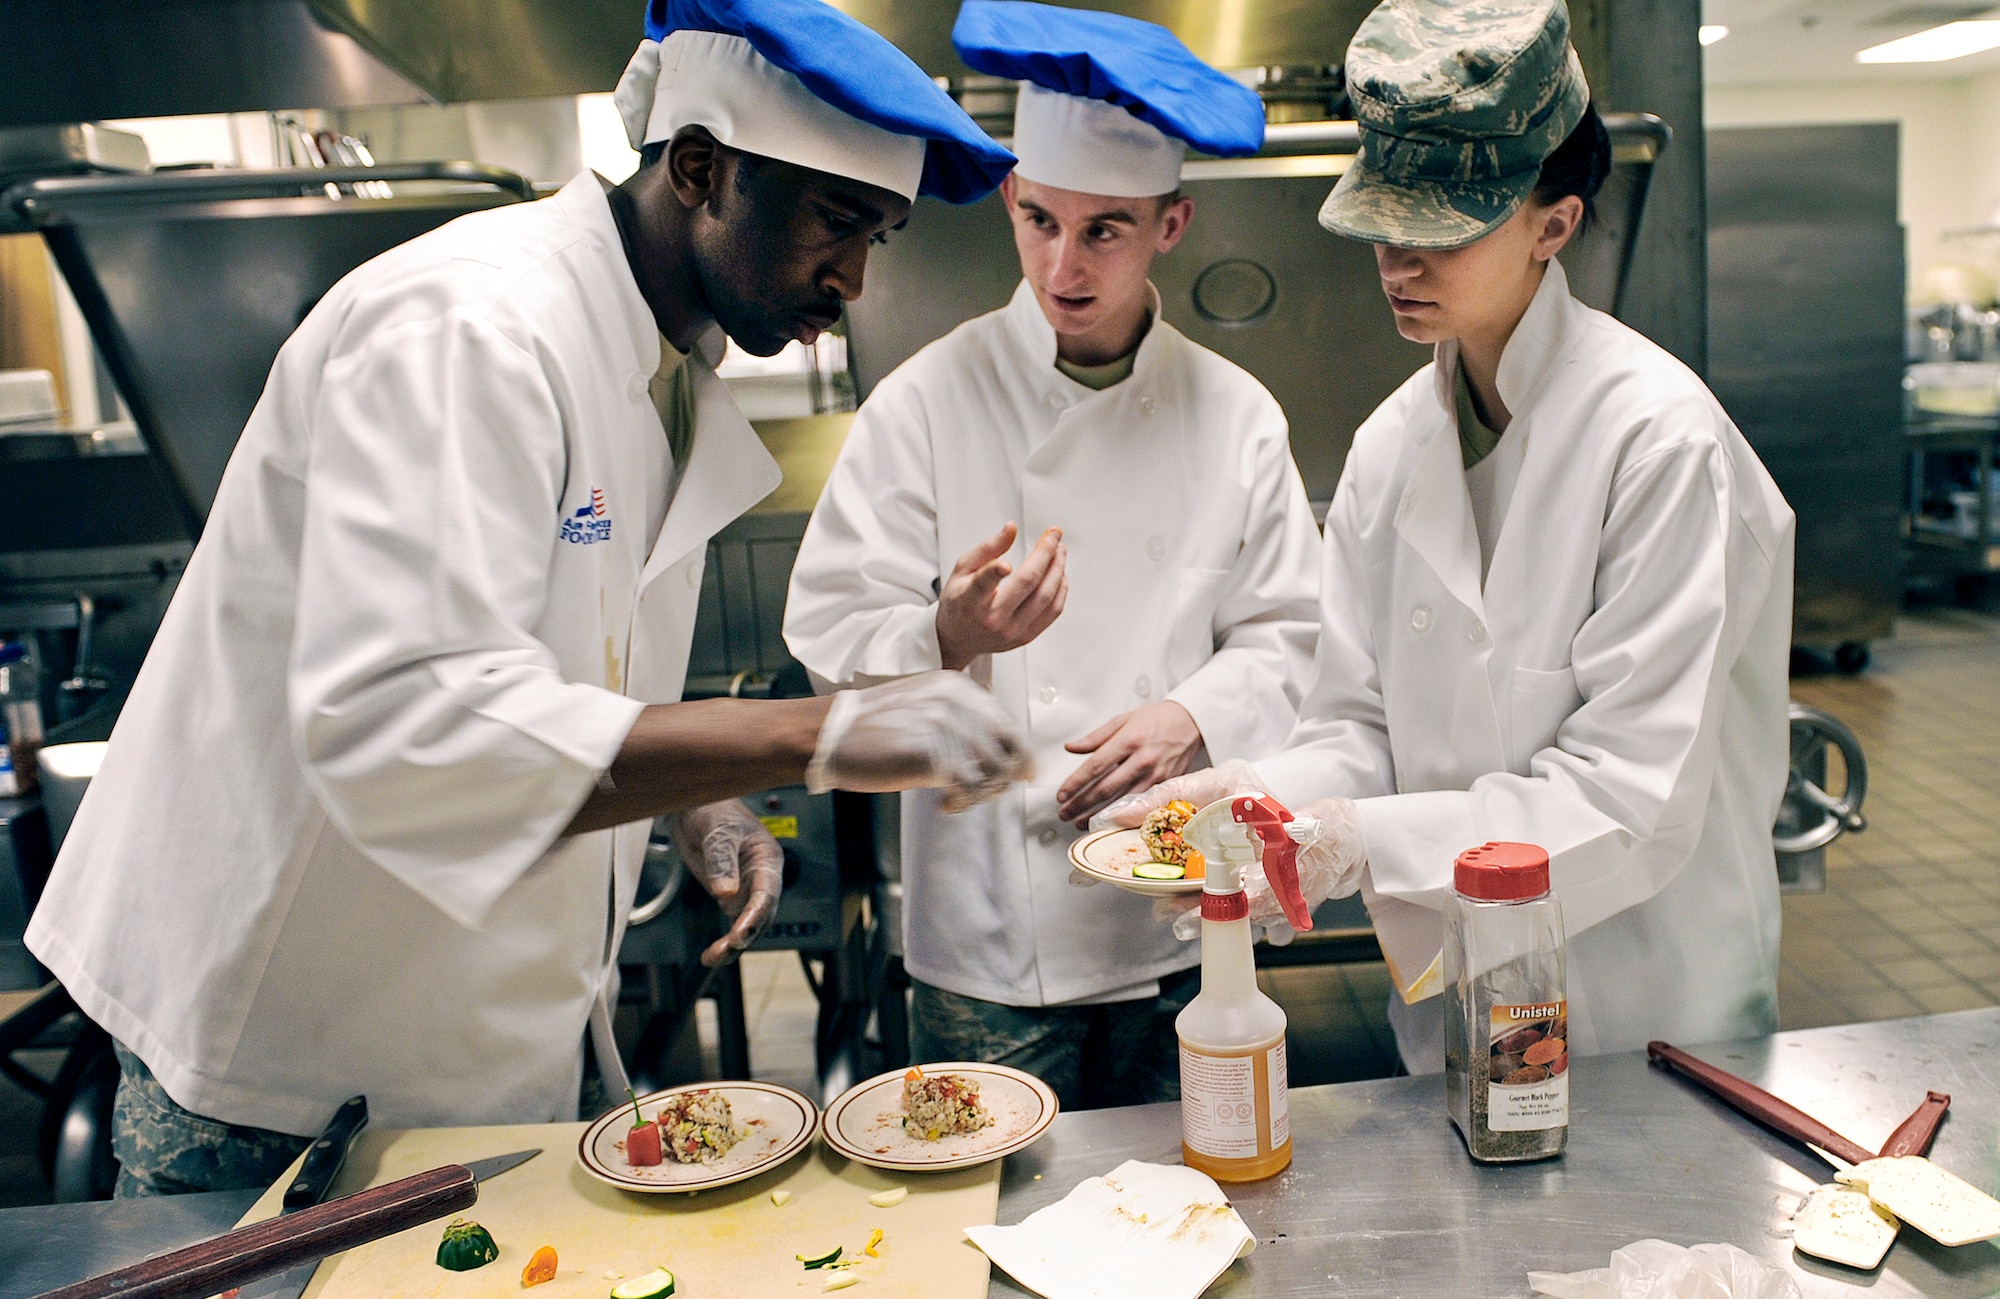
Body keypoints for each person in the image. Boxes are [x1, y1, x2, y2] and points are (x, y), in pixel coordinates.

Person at [25, 0, 1030, 1196]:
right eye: (836, 220)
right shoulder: (469, 330)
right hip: (276, 1066)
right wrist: (824, 735)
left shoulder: (665, 370)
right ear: (701, 169)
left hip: (471, 1042)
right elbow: (415, 721)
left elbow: (567, 673)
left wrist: (689, 802)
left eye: (881, 236)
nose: (855, 278)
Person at [1102, 0, 1795, 1073]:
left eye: (1442, 229)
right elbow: (1360, 723)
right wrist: (1260, 799)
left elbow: (1627, 793)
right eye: (1383, 222)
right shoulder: (1390, 447)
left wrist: (1358, 843)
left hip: (1646, 999)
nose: (1397, 262)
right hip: (1464, 997)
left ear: (1551, 223)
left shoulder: (1658, 445)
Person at [782, 1, 1321, 1109]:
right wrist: (946, 633)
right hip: (988, 936)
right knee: (999, 1223)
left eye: (1104, 231)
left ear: (1170, 226)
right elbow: (827, 638)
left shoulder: (1234, 415)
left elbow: (1294, 636)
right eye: (1036, 221)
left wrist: (1193, 715)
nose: (1060, 265)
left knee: (1200, 1197)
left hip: (1179, 905)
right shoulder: (927, 399)